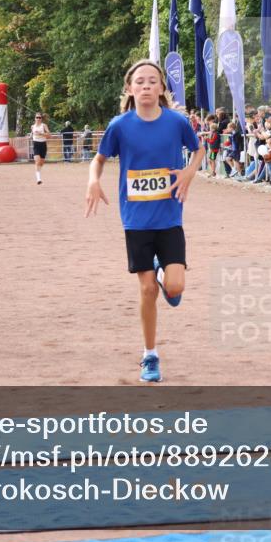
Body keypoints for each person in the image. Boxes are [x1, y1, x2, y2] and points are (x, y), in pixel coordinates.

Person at [85, 60, 205, 383]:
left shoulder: (176, 122)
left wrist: (189, 173)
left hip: (169, 216)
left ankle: (163, 272)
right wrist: (93, 180)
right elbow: (99, 160)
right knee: (147, 289)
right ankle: (150, 355)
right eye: (140, 81)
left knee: (175, 288)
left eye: (153, 81)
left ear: (162, 88)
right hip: (136, 221)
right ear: (130, 88)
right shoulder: (120, 126)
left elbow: (198, 150)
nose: (146, 86)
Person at [30, 112, 50, 184]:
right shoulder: (32, 126)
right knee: (37, 161)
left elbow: (49, 135)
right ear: (35, 118)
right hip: (36, 144)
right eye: (37, 117)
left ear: (41, 119)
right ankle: (38, 179)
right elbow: (32, 134)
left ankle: (38, 171)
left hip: (43, 144)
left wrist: (41, 133)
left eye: (39, 117)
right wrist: (31, 136)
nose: (38, 119)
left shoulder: (44, 125)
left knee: (41, 163)